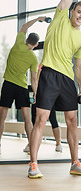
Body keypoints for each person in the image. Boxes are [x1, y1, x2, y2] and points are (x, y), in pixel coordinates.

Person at [28, 0, 81, 179]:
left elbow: (79, 66)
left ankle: (75, 163)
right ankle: (33, 164)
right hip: (49, 75)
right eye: (79, 12)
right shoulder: (60, 18)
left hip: (68, 81)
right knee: (41, 119)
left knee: (72, 120)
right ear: (71, 11)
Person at [0, 17, 44, 154]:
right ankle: (32, 146)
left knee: (1, 117)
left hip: (8, 85)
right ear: (36, 45)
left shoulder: (19, 43)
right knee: (27, 119)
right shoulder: (33, 58)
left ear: (26, 40)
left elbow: (24, 26)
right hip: (22, 88)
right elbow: (34, 78)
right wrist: (35, 93)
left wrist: (38, 19)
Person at [24, 64, 62, 153]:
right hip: (40, 95)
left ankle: (58, 143)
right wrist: (36, 94)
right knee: (35, 121)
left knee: (52, 119)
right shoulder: (41, 65)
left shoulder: (55, 65)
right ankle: (31, 144)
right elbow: (36, 80)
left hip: (49, 96)